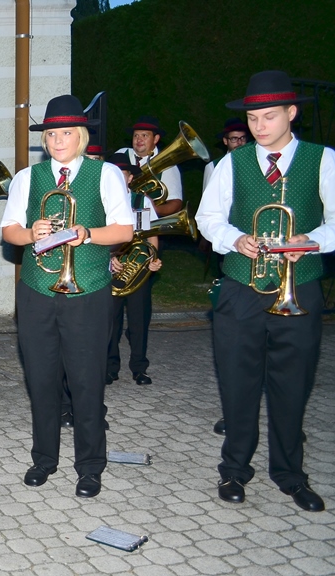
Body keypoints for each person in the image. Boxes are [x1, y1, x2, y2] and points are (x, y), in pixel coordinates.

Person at [196, 70, 334, 512]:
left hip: (300, 287)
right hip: (241, 287)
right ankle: (234, 469)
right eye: (253, 118)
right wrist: (235, 239)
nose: (259, 126)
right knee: (238, 383)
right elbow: (207, 218)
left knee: (293, 384)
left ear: (292, 113)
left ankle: (290, 475)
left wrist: (311, 241)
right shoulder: (230, 164)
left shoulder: (323, 159)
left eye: (269, 116)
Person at [0, 94, 133, 498]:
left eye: (66, 134)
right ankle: (44, 459)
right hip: (37, 291)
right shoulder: (27, 177)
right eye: (52, 135)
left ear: (81, 136)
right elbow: (9, 231)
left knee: (86, 381)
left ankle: (90, 466)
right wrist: (30, 233)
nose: (58, 141)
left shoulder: (105, 173)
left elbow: (124, 230)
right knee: (41, 380)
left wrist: (87, 234)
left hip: (87, 290)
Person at [203, 117, 251, 436]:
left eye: (241, 138)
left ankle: (288, 422)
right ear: (225, 142)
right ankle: (235, 415)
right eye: (233, 139)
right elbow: (212, 212)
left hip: (293, 271)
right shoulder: (221, 166)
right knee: (237, 350)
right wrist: (229, 239)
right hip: (236, 257)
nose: (238, 143)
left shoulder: (320, 159)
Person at [105, 152, 162, 386]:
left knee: (139, 320)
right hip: (112, 268)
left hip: (138, 268)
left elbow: (151, 234)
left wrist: (153, 259)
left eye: (123, 175)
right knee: (111, 321)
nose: (119, 179)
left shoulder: (141, 201)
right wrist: (110, 258)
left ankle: (139, 367)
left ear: (130, 178)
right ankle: (110, 367)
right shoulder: (102, 201)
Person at [117, 115, 183, 217]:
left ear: (155, 139)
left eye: (144, 135)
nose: (139, 140)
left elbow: (176, 204)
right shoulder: (121, 154)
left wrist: (153, 209)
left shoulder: (168, 165)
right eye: (136, 135)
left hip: (149, 221)